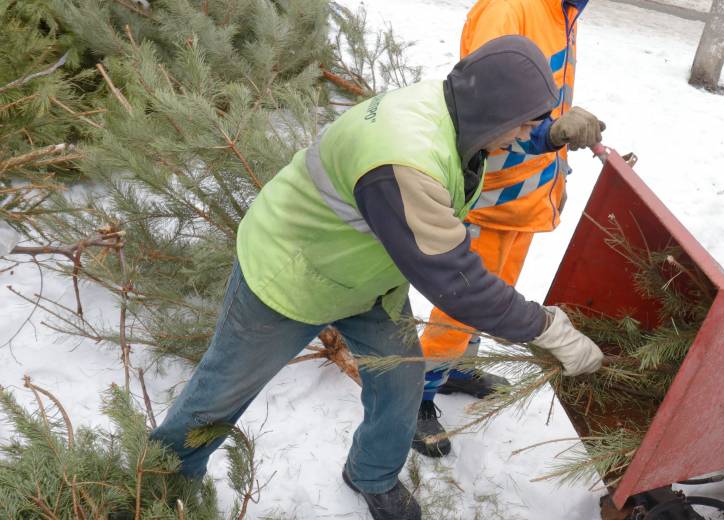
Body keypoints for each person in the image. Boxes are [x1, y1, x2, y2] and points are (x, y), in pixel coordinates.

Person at [149, 36, 605, 520]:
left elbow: (482, 143)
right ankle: (157, 487)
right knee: (220, 396)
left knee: (400, 383)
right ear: (493, 112)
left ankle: (371, 474)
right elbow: (458, 283)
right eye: (524, 125)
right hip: (291, 273)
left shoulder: (454, 106)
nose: (521, 135)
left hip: (367, 278)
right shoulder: (405, 161)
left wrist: (548, 137)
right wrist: (546, 328)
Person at [414, 0, 605, 459]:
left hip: (526, 196)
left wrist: (556, 142)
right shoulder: (509, 9)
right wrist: (549, 134)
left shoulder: (564, 11)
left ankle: (458, 366)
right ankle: (415, 397)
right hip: (492, 196)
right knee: (463, 301)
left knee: (493, 292)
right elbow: (484, 108)